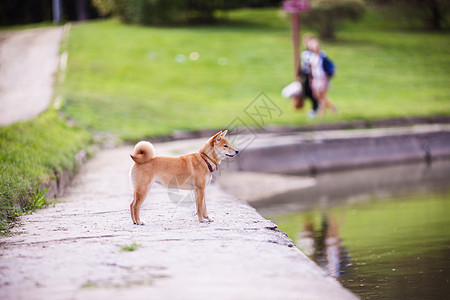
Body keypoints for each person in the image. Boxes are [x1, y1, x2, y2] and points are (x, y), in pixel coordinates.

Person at [308, 38, 337, 117]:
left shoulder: (322, 56)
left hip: (322, 78)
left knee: (322, 96)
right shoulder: (312, 56)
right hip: (315, 78)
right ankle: (333, 107)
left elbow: (328, 66)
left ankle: (322, 114)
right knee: (317, 96)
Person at [298, 34, 319, 119]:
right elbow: (303, 65)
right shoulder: (304, 53)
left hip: (315, 76)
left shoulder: (318, 54)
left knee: (315, 93)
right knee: (306, 92)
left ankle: (315, 109)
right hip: (306, 75)